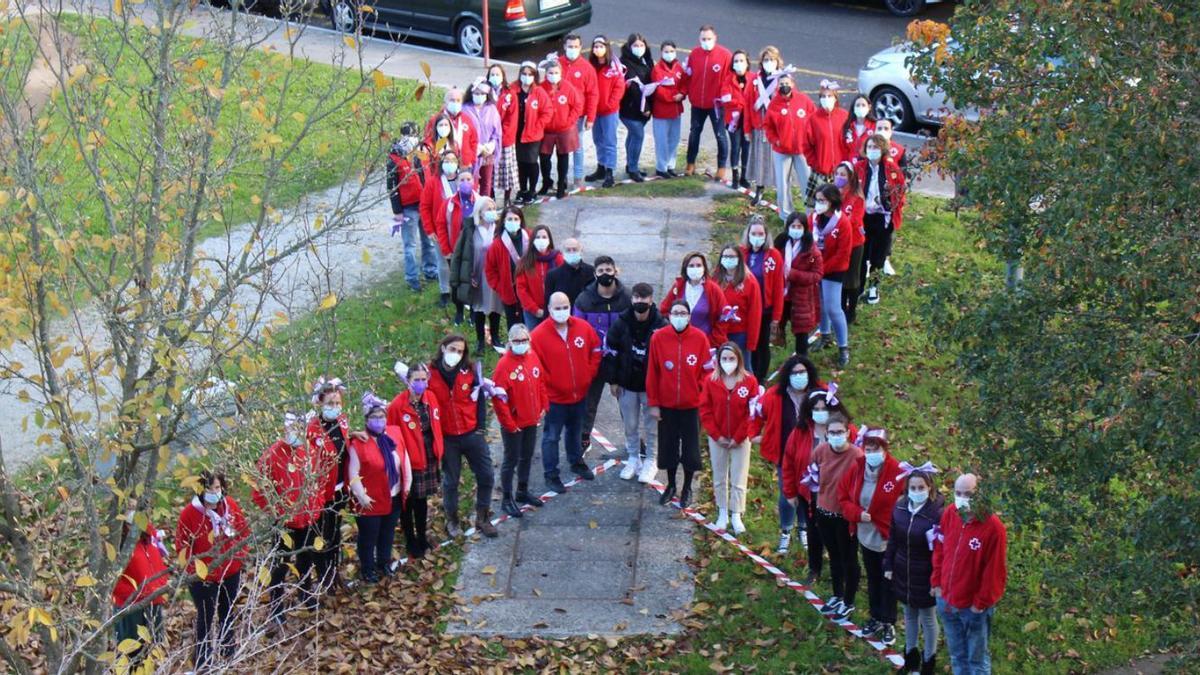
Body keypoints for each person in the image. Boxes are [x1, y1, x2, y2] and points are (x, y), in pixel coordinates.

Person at [932, 473, 1008, 675]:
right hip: (947, 600)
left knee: (977, 660)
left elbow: (994, 572)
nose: (962, 498)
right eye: (958, 493)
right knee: (957, 655)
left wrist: (979, 605)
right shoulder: (950, 513)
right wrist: (937, 584)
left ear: (980, 494)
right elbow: (940, 548)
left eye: (968, 493)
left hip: (973, 608)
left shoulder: (994, 528)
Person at [252, 413, 324, 624]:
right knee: (280, 565)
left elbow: (318, 481)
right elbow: (260, 491)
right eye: (294, 428)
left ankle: (305, 593)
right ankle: (276, 606)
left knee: (306, 558)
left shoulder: (309, 452)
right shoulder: (272, 455)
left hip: (308, 518)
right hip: (284, 522)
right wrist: (278, 512)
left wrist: (316, 507)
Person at [175, 469, 248, 671]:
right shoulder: (189, 514)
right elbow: (182, 547)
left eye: (217, 487)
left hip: (230, 572)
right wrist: (195, 571)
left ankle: (228, 652)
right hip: (203, 577)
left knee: (227, 611)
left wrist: (240, 557)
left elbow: (243, 531)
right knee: (205, 617)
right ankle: (203, 662)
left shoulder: (230, 506)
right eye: (209, 488)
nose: (215, 492)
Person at [837, 427, 905, 645]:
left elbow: (905, 503)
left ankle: (889, 622)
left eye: (876, 448)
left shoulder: (897, 472)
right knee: (873, 578)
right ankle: (875, 616)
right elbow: (843, 497)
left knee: (888, 581)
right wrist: (858, 514)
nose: (871, 452)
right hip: (866, 536)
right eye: (868, 448)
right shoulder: (857, 469)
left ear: (884, 450)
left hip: (888, 539)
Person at [779, 383, 853, 584]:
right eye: (816, 409)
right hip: (809, 492)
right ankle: (815, 569)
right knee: (814, 532)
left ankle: (844, 570)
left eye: (824, 409)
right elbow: (788, 463)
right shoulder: (800, 432)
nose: (820, 413)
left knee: (840, 534)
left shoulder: (846, 431)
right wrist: (790, 492)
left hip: (839, 494)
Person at [529, 292, 602, 493]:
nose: (562, 311)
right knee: (551, 437)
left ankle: (576, 461)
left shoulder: (583, 328)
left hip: (579, 394)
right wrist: (549, 387)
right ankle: (551, 474)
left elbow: (596, 350)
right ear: (549, 309)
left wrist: (588, 374)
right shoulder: (538, 336)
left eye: (565, 307)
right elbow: (535, 368)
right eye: (557, 308)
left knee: (575, 431)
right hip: (555, 399)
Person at [427, 336, 498, 538]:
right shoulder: (429, 374)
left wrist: (481, 428)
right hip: (448, 438)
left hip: (471, 434)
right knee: (450, 482)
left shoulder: (471, 371)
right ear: (442, 348)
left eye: (460, 351)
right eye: (452, 349)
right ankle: (452, 520)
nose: (456, 354)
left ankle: (483, 518)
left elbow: (480, 399)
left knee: (486, 475)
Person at [753, 354, 820, 554]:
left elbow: (837, 416)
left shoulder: (820, 392)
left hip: (814, 455)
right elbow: (757, 413)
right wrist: (753, 434)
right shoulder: (774, 395)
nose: (799, 376)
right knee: (787, 493)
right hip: (785, 454)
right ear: (787, 376)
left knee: (807, 493)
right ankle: (785, 532)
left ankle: (803, 528)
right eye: (794, 373)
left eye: (802, 372)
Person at [646, 300, 710, 507]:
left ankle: (687, 487)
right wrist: (654, 403)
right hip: (667, 405)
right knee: (668, 447)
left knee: (690, 450)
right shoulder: (658, 338)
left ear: (689, 317)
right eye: (675, 313)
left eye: (683, 313)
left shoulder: (700, 339)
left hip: (692, 406)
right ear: (669, 315)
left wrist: (699, 392)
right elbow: (653, 373)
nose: (679, 316)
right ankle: (671, 484)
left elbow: (707, 371)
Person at [605, 282, 667, 483]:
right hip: (627, 384)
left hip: (651, 387)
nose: (640, 302)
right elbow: (610, 352)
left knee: (652, 426)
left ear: (651, 300)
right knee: (630, 425)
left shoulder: (661, 324)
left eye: (644, 298)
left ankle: (651, 460)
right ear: (632, 299)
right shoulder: (621, 323)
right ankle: (633, 457)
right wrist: (613, 380)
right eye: (637, 298)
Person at [885, 467, 944, 675]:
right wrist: (888, 564)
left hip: (926, 575)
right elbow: (893, 538)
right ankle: (910, 657)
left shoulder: (937, 514)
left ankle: (929, 660)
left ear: (929, 488)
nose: (917, 490)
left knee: (928, 618)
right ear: (907, 488)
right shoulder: (900, 508)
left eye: (921, 487)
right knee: (909, 615)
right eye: (913, 487)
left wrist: (936, 580)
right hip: (903, 571)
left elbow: (940, 549)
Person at [347, 393, 409, 584]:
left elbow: (402, 460)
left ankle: (384, 563)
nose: (379, 420)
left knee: (387, 533)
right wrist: (362, 496)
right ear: (366, 420)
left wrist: (406, 485)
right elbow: (353, 473)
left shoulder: (392, 437)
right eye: (374, 417)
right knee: (368, 538)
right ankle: (367, 568)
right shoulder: (359, 443)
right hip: (370, 500)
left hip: (393, 496)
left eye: (382, 416)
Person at [573, 255, 631, 452]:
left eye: (608, 270)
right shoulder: (584, 300)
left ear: (615, 271)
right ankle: (583, 437)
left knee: (626, 404)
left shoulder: (627, 297)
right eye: (601, 271)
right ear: (595, 274)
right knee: (589, 402)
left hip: (620, 359)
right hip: (594, 359)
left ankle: (633, 440)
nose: (605, 274)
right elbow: (577, 330)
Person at [491, 323, 550, 517]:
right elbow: (499, 400)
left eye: (524, 340)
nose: (521, 343)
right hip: (514, 424)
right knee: (511, 460)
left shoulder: (532, 357)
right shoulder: (503, 366)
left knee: (527, 456)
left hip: (531, 420)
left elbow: (540, 381)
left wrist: (543, 405)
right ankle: (507, 498)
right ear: (509, 342)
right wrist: (509, 424)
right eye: (517, 341)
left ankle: (522, 491)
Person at [700, 343, 759, 533]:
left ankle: (736, 513)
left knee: (739, 476)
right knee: (719, 475)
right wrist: (716, 435)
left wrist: (739, 436)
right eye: (724, 359)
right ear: (718, 361)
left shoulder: (749, 382)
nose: (728, 362)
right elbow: (705, 409)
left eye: (731, 359)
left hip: (740, 439)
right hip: (717, 438)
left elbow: (751, 413)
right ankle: (722, 511)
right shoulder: (710, 381)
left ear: (739, 360)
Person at [812, 410, 864, 622]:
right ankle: (837, 595)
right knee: (833, 556)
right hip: (824, 511)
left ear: (848, 432)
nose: (836, 436)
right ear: (826, 433)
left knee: (849, 558)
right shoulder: (821, 450)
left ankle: (849, 601)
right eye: (832, 432)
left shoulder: (857, 456)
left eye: (840, 432)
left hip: (845, 516)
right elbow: (813, 475)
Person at [387, 363, 443, 560]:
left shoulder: (431, 399)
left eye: (423, 380)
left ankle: (422, 535)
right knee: (408, 501)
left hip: (428, 455)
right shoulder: (397, 406)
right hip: (410, 459)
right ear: (408, 381)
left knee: (422, 500)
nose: (421, 384)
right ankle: (410, 538)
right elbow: (391, 435)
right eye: (416, 380)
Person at [307, 378, 354, 592]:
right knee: (322, 536)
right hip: (322, 494)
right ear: (320, 403)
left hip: (339, 490)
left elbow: (343, 444)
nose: (335, 408)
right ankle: (323, 575)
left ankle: (334, 573)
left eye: (338, 403)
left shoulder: (341, 422)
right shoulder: (312, 430)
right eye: (330, 403)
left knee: (335, 534)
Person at [855, 133, 907, 306]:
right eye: (869, 147)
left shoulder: (892, 169)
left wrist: (892, 211)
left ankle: (873, 288)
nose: (872, 151)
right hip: (863, 217)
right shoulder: (860, 167)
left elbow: (900, 192)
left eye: (876, 147)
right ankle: (859, 287)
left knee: (879, 256)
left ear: (883, 149)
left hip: (883, 218)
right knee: (862, 254)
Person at [386, 124, 439, 292]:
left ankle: (430, 271)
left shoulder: (423, 152)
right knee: (410, 245)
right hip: (407, 207)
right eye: (407, 135)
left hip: (425, 205)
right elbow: (392, 186)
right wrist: (397, 212)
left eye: (414, 135)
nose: (411, 139)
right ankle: (412, 278)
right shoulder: (394, 158)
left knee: (428, 241)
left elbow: (430, 174)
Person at [450, 196, 505, 354]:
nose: (492, 212)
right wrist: (466, 277)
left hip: (495, 276)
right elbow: (460, 255)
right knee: (479, 309)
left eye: (494, 209)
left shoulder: (499, 229)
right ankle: (480, 341)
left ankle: (495, 337)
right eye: (488, 209)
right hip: (477, 276)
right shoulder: (470, 230)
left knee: (495, 307)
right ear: (479, 212)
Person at [112, 516, 169, 666]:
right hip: (130, 607)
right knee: (132, 652)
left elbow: (158, 565)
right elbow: (113, 583)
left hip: (153, 601)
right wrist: (137, 594)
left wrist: (160, 585)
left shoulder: (148, 540)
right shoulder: (118, 545)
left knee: (153, 648)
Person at [764, 73, 816, 222]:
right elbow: (768, 126)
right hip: (781, 152)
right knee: (782, 184)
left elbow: (813, 118)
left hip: (802, 150)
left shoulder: (803, 100)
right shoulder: (773, 104)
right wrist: (775, 140)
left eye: (786, 83)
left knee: (807, 182)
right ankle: (786, 216)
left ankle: (811, 215)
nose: (784, 86)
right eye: (781, 84)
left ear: (792, 84)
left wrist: (811, 139)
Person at [810, 184, 852, 366]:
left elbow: (842, 254)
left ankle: (843, 347)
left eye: (822, 200)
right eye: (817, 200)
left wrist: (823, 269)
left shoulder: (842, 223)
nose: (818, 204)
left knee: (833, 308)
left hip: (834, 270)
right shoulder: (814, 219)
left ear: (832, 201)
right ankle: (824, 335)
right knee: (821, 303)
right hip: (817, 268)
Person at [683, 24, 732, 180]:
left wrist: (724, 96)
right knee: (694, 133)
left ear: (715, 38)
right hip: (697, 102)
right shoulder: (694, 54)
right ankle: (690, 163)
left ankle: (722, 167)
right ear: (699, 39)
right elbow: (688, 76)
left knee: (720, 135)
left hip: (716, 105)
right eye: (703, 39)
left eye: (709, 38)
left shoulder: (725, 55)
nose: (706, 41)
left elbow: (729, 79)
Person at [740, 214, 784, 381]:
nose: (757, 238)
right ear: (748, 234)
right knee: (745, 343)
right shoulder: (741, 253)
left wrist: (776, 317)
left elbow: (779, 287)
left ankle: (759, 379)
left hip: (765, 310)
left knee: (761, 345)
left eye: (760, 234)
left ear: (766, 236)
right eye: (754, 234)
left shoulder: (774, 256)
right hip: (744, 309)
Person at [419, 147, 463, 308]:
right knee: (443, 262)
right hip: (440, 232)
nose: (450, 164)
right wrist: (429, 230)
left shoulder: (464, 180)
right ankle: (445, 291)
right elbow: (424, 207)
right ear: (440, 164)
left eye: (453, 161)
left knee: (463, 261)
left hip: (461, 231)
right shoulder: (433, 183)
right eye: (446, 161)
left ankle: (462, 290)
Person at [539, 60, 584, 200]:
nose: (553, 75)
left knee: (563, 157)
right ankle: (546, 182)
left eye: (556, 73)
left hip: (564, 129)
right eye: (550, 73)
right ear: (546, 74)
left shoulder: (568, 87)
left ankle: (561, 184)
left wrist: (568, 121)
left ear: (561, 73)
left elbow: (577, 106)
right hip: (546, 130)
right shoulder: (540, 88)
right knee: (544, 158)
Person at [660, 252, 727, 347]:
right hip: (679, 342)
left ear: (704, 268)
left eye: (699, 265)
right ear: (685, 268)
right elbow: (664, 310)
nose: (695, 268)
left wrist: (712, 341)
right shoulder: (678, 286)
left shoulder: (713, 289)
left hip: (705, 343)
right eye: (691, 266)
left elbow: (723, 317)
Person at [559, 34, 599, 190]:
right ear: (564, 47)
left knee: (578, 147)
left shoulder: (587, 68)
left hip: (578, 116)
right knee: (561, 149)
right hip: (559, 115)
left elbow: (593, 94)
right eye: (570, 46)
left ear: (581, 47)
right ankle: (562, 179)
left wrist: (591, 117)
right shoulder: (557, 64)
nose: (572, 49)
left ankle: (577, 178)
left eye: (575, 47)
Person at [745, 46, 785, 205]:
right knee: (760, 157)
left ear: (778, 61)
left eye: (772, 60)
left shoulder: (783, 79)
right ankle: (760, 188)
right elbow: (748, 105)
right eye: (766, 60)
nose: (769, 63)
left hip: (776, 126)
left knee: (778, 158)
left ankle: (780, 189)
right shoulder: (755, 80)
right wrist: (747, 129)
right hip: (759, 124)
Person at [509, 62, 552, 204]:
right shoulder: (513, 89)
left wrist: (538, 126)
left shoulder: (539, 92)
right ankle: (522, 189)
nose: (526, 77)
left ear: (534, 76)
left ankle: (532, 190)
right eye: (524, 74)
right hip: (517, 132)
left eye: (530, 74)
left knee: (531, 162)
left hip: (533, 133)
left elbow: (547, 112)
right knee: (520, 163)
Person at [712, 244, 762, 365]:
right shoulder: (715, 278)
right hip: (718, 332)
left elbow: (755, 313)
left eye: (732, 256)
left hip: (739, 334)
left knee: (743, 367)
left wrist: (751, 341)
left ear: (739, 259)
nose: (728, 259)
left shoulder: (749, 282)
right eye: (725, 256)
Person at [782, 212, 823, 357]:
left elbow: (817, 275)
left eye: (799, 226)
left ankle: (801, 362)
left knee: (801, 334)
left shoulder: (812, 251)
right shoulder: (780, 245)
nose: (796, 229)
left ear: (805, 228)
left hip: (802, 298)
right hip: (782, 295)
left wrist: (793, 274)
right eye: (793, 226)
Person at [587, 35, 626, 188]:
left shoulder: (614, 67)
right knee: (598, 140)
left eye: (601, 46)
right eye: (595, 47)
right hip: (595, 110)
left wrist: (611, 104)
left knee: (610, 141)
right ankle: (601, 167)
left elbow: (619, 87)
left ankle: (610, 171)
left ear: (607, 48)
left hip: (609, 111)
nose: (598, 50)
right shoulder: (590, 66)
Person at [484, 206, 531, 331]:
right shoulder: (497, 245)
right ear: (503, 221)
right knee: (514, 326)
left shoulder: (530, 237)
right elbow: (490, 270)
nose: (513, 222)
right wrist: (501, 287)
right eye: (509, 219)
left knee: (531, 324)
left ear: (521, 220)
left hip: (530, 290)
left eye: (516, 219)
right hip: (511, 293)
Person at [618, 33, 654, 182]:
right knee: (638, 135)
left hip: (643, 108)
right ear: (629, 47)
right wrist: (645, 107)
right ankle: (633, 169)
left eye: (641, 45)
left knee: (632, 136)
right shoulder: (625, 63)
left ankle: (630, 165)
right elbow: (634, 87)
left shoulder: (646, 61)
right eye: (635, 45)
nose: (639, 48)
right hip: (630, 108)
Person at [834, 161, 867, 325]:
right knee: (839, 276)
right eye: (837, 174)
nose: (839, 178)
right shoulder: (833, 194)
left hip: (854, 243)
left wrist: (837, 223)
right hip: (837, 242)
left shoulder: (856, 198)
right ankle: (840, 307)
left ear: (851, 177)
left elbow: (854, 220)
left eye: (843, 175)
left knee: (851, 279)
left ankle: (851, 311)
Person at [809, 80, 850, 202]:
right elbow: (806, 145)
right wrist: (816, 163)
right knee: (818, 205)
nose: (826, 98)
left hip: (841, 172)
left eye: (829, 96)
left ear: (835, 98)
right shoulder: (813, 118)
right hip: (821, 171)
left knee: (840, 204)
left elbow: (850, 142)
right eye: (823, 96)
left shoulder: (845, 116)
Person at [650, 41, 686, 179]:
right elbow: (658, 90)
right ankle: (661, 167)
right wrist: (673, 97)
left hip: (676, 111)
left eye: (671, 51)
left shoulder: (678, 68)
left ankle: (671, 165)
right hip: (662, 111)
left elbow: (684, 83)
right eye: (666, 51)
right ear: (661, 52)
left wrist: (682, 94)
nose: (669, 54)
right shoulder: (657, 69)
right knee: (661, 141)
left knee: (674, 140)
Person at [515, 225, 563, 327]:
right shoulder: (525, 262)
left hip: (555, 310)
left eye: (544, 237)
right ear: (532, 240)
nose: (541, 240)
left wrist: (557, 307)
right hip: (532, 312)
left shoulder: (558, 258)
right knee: (534, 340)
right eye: (537, 237)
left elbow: (564, 284)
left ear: (549, 240)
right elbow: (521, 289)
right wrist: (535, 309)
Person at [721, 49, 755, 189]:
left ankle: (744, 176)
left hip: (748, 120)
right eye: (736, 61)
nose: (739, 63)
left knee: (746, 148)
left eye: (742, 61)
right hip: (733, 120)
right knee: (735, 147)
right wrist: (741, 103)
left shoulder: (753, 78)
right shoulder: (728, 80)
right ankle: (735, 176)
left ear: (747, 63)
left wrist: (741, 102)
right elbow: (725, 99)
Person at [463, 80, 503, 198]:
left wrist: (491, 145)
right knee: (471, 181)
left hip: (487, 153)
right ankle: (471, 206)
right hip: (471, 152)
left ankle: (485, 208)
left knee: (486, 183)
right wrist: (476, 147)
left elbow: (497, 132)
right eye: (476, 93)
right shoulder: (465, 109)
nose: (479, 96)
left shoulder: (492, 109)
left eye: (482, 94)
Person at [487, 64, 520, 204]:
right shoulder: (484, 92)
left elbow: (511, 119)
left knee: (507, 171)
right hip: (488, 139)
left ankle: (507, 198)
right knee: (489, 170)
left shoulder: (510, 94)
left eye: (497, 74)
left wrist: (500, 137)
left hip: (505, 138)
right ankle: (490, 195)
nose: (495, 77)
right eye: (492, 74)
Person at [423, 87, 478, 169]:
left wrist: (471, 159)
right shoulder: (435, 120)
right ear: (445, 103)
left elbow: (474, 141)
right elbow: (428, 142)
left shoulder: (467, 119)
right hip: (443, 166)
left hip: (464, 166)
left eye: (458, 100)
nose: (455, 103)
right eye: (452, 100)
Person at [543, 237, 594, 305]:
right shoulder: (552, 275)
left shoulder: (591, 271)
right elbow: (548, 302)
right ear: (563, 253)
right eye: (568, 250)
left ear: (581, 250)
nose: (571, 252)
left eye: (575, 249)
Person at [842, 94, 875, 164]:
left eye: (863, 105)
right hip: (851, 167)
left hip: (868, 166)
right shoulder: (848, 126)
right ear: (853, 108)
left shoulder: (875, 126)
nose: (860, 107)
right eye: (858, 105)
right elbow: (843, 149)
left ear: (869, 107)